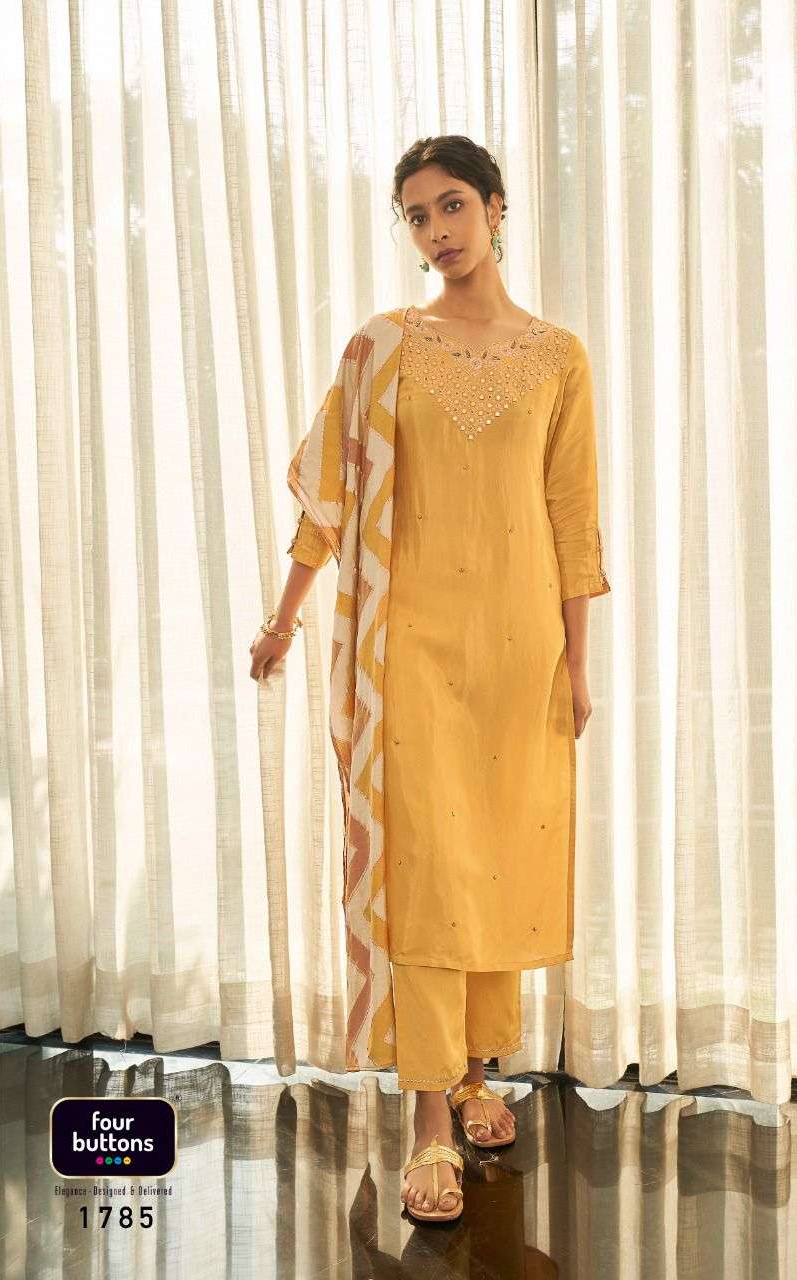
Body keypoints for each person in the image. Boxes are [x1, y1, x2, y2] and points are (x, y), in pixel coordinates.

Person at [249, 134, 610, 1223]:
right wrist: (282, 621)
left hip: (518, 653)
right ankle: (427, 1123)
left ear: (496, 208)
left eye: (452, 205)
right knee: (427, 872)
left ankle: (473, 1069)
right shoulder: (383, 347)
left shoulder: (559, 356)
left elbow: (572, 520)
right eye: (416, 215)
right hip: (406, 653)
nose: (436, 230)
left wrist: (577, 666)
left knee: (493, 863)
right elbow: (329, 496)